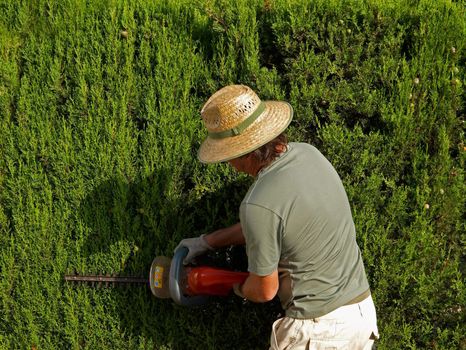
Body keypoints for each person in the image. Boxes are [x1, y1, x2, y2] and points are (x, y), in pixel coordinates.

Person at [175, 84, 379, 349]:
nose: (227, 164)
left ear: (242, 152)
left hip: (317, 332)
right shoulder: (308, 154)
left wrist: (230, 286)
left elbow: (264, 290)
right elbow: (275, 222)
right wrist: (207, 242)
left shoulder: (257, 203)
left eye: (225, 155)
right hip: (361, 317)